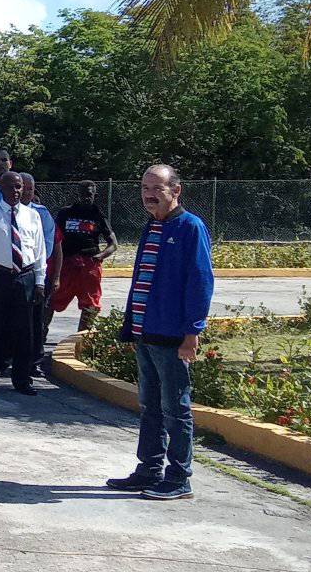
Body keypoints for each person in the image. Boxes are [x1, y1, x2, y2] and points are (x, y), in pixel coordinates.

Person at [107, 165, 213, 501]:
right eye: (144, 188)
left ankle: (179, 477)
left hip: (171, 336)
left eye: (157, 188)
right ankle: (149, 469)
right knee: (149, 406)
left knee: (175, 408)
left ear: (176, 190)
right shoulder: (151, 226)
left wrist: (192, 332)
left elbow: (200, 282)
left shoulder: (190, 227)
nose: (149, 194)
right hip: (145, 332)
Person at [0, 171, 47, 396]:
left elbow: (39, 250)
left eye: (19, 187)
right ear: (1, 189)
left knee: (24, 332)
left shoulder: (32, 216)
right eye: (11, 187)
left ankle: (22, 379)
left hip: (24, 277)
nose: (16, 191)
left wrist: (40, 281)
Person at [50, 180, 117, 333]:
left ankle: (81, 338)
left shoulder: (98, 215)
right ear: (78, 195)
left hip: (89, 265)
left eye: (90, 195)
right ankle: (40, 336)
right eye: (84, 195)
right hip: (66, 264)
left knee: (91, 304)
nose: (87, 198)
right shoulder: (65, 213)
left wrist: (100, 256)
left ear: (95, 195)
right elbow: (53, 237)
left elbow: (113, 244)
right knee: (51, 300)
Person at [20, 173, 55, 374]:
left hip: (34, 272)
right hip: (8, 275)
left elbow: (49, 246)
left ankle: (33, 363)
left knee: (35, 322)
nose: (25, 192)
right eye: (22, 187)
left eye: (30, 189)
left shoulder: (41, 214)